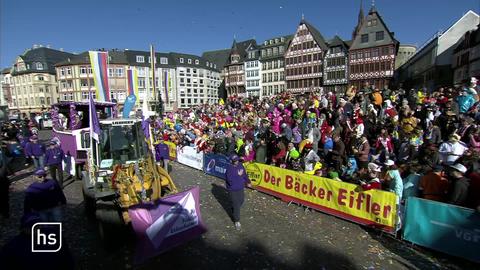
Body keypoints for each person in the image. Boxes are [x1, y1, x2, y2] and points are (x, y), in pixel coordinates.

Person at [0, 212, 74, 270]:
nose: (36, 228)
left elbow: (66, 255)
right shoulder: (12, 247)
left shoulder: (54, 235)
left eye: (37, 225)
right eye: (31, 226)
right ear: (23, 228)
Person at [225, 155, 251, 230]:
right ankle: (237, 221)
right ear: (231, 161)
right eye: (235, 161)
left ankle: (234, 208)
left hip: (240, 187)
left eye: (237, 160)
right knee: (236, 204)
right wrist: (238, 175)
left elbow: (244, 174)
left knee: (241, 201)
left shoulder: (240, 165)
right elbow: (230, 181)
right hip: (232, 189)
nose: (236, 162)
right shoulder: (229, 169)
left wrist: (248, 181)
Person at [0, 145, 10, 218]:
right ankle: (5, 214)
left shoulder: (2, 173)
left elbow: (4, 163)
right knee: (5, 202)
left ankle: (5, 214)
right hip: (4, 191)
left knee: (5, 202)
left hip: (3, 191)